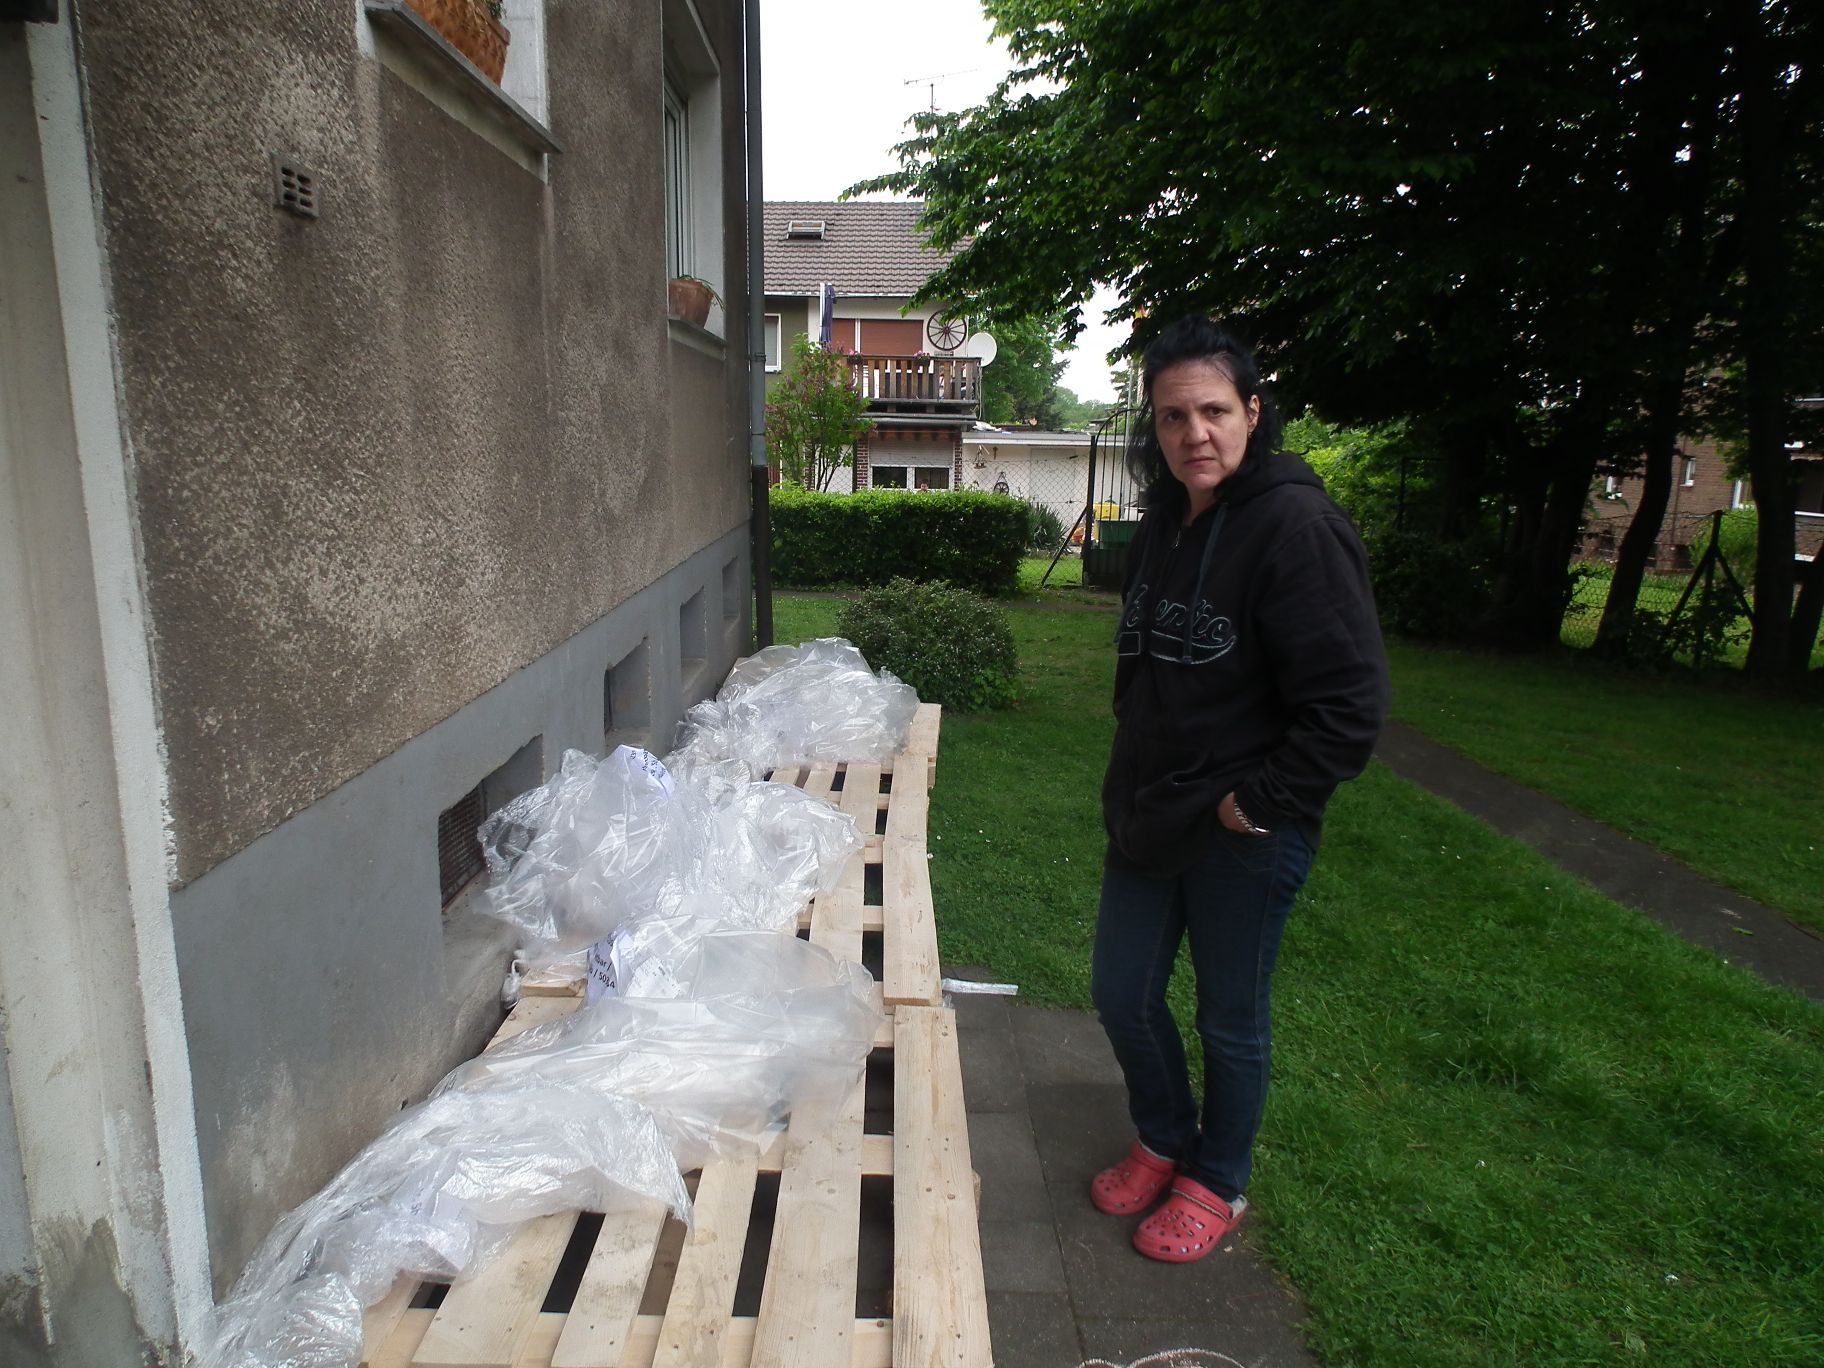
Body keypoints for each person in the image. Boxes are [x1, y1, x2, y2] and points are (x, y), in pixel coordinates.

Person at [1090, 315, 1389, 1263]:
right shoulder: (1166, 522)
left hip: (1244, 828)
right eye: (1173, 416)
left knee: (1228, 1017)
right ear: (1154, 425)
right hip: (1151, 810)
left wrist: (1254, 804)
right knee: (1121, 993)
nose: (1196, 434)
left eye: (1215, 411)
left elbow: (1350, 707)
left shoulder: (1298, 529)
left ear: (1254, 413)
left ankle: (1217, 1178)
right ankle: (1163, 1136)